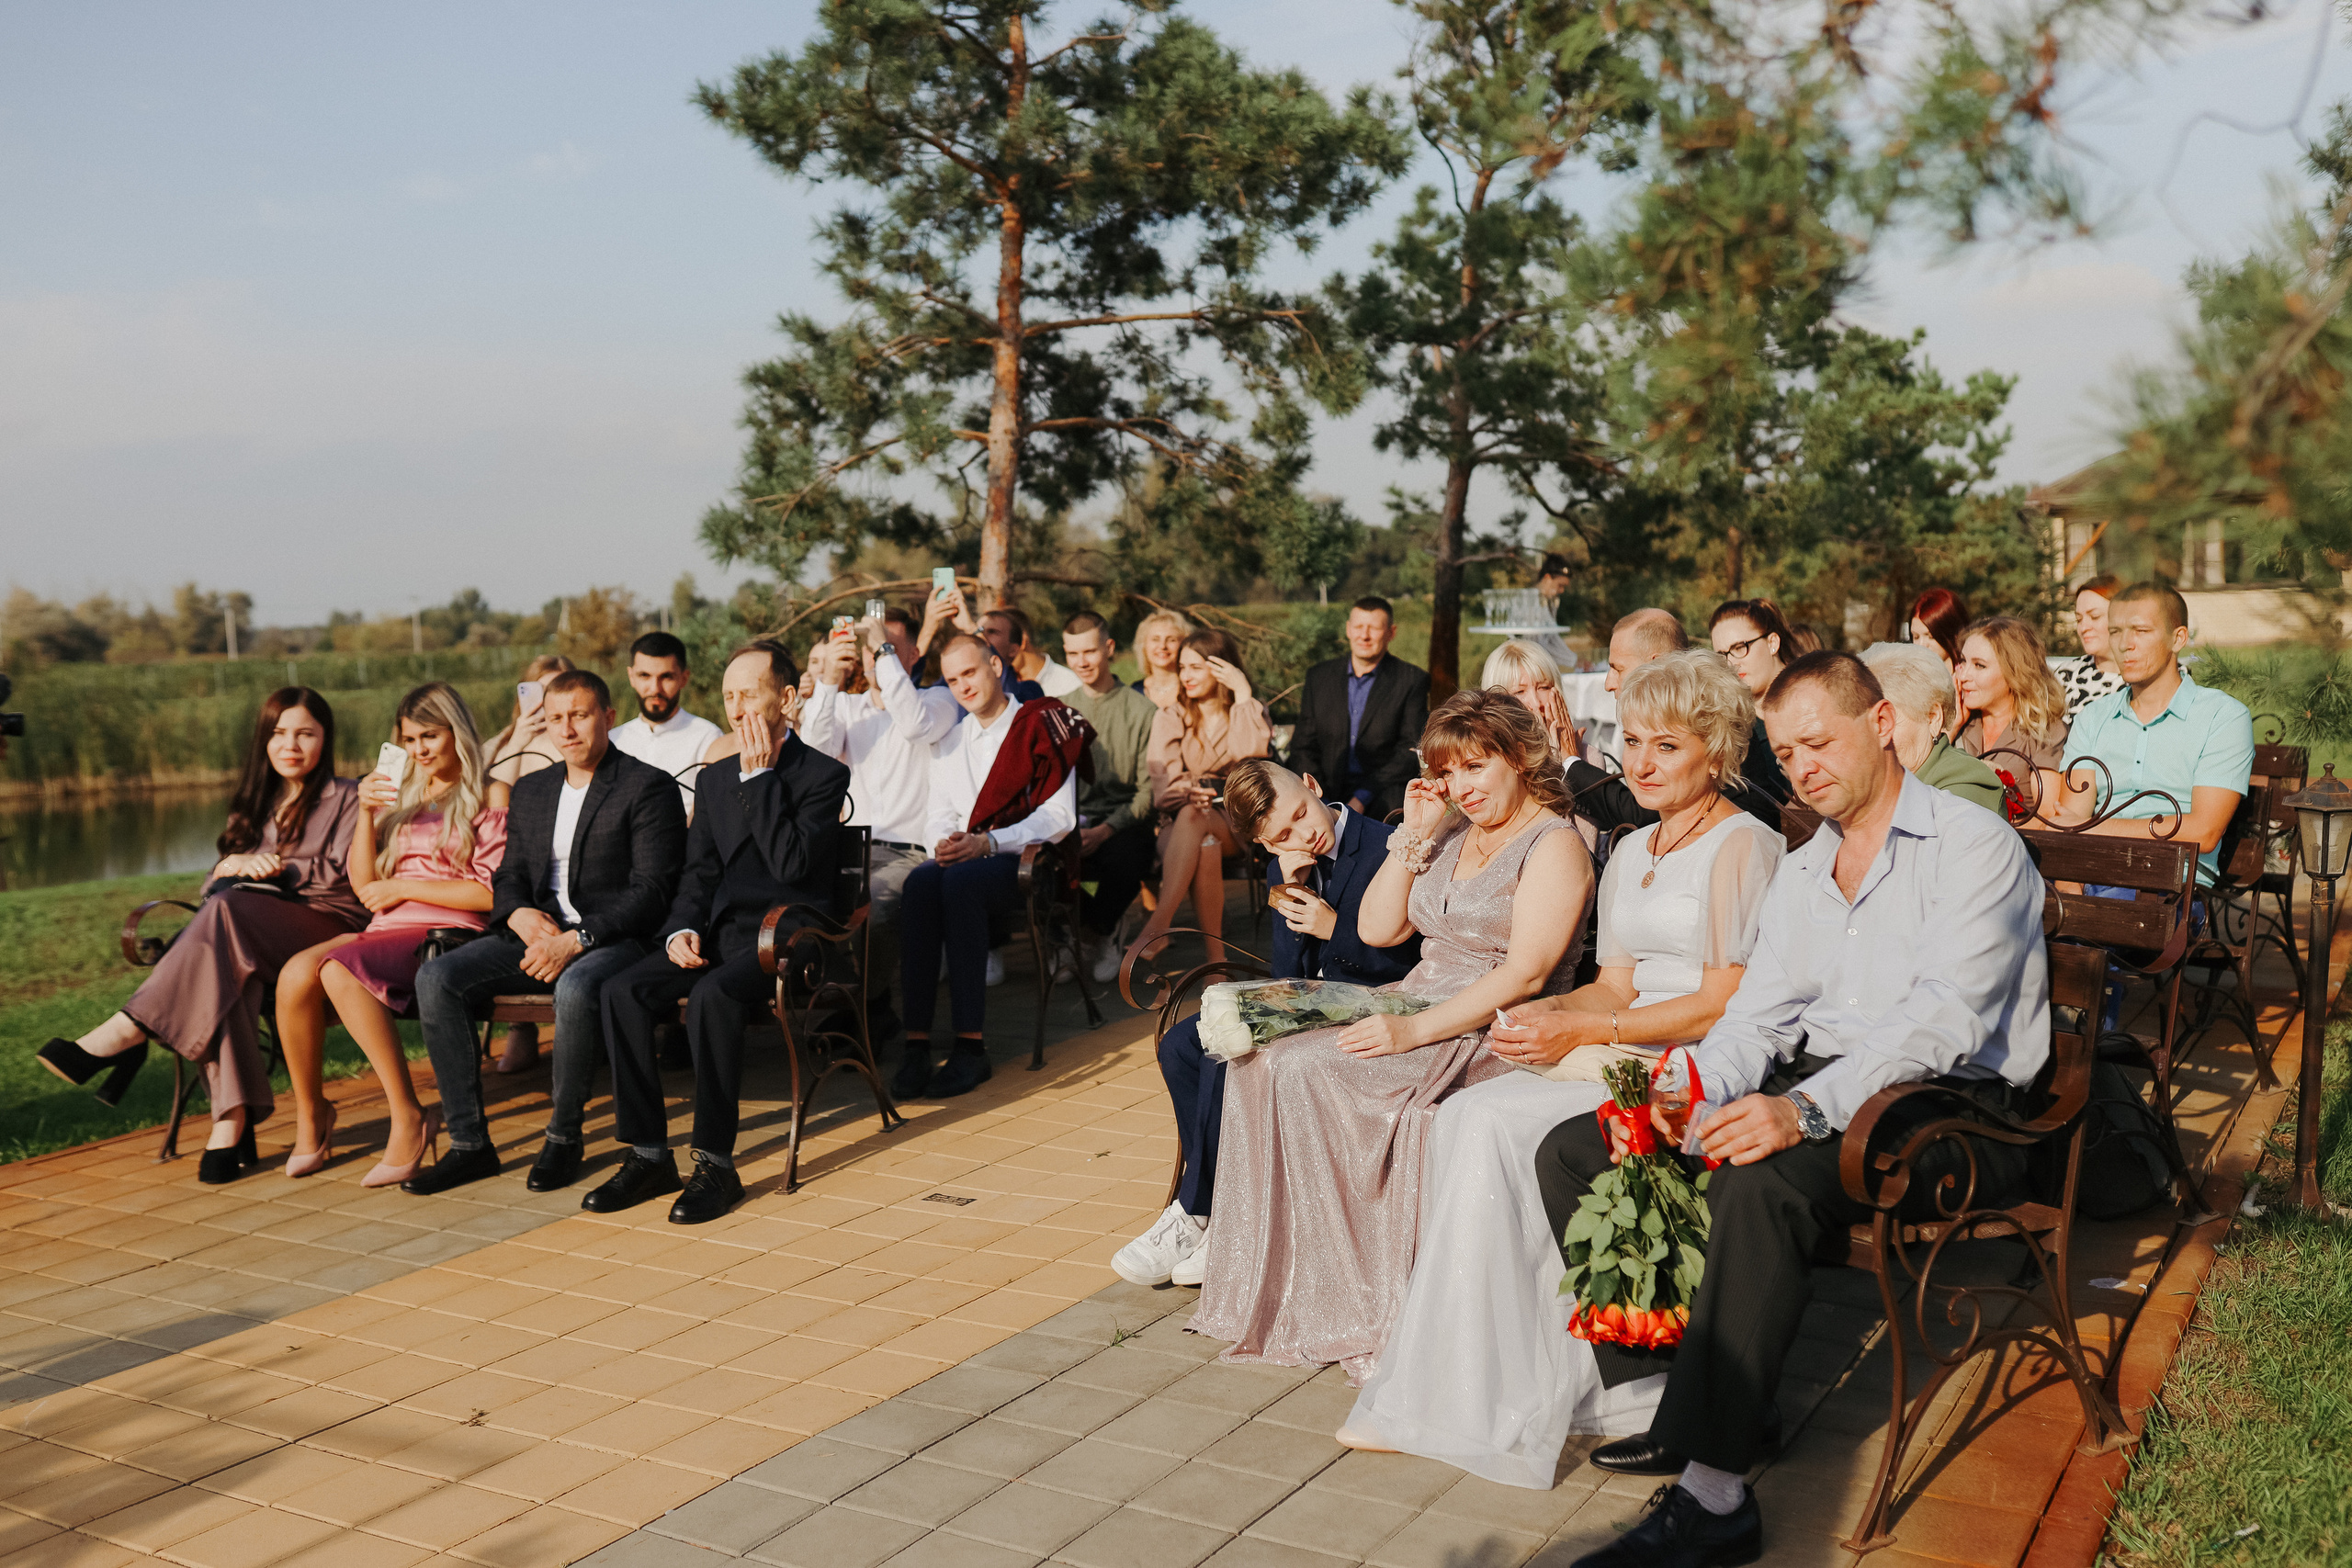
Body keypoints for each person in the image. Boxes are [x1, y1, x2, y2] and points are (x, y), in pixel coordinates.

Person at [1544, 651, 2052, 1568]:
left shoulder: (1974, 847)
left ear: (1882, 725)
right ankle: (1709, 1401)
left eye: (1819, 740)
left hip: (1958, 1109)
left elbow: (1944, 1020)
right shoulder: (1807, 865)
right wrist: (1688, 1085)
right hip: (1832, 1082)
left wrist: (1800, 1113)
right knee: (1586, 1149)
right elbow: (1756, 1020)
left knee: (1756, 1183)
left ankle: (1714, 1503)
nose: (1804, 763)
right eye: (1787, 749)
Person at [1342, 651, 1781, 1486]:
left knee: (1489, 1124)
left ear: (1717, 750)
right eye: (1635, 743)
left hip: (1696, 1060)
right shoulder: (1636, 845)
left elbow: (1728, 1000)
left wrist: (1588, 1027)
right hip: (1619, 1042)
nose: (1642, 765)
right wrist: (1552, 1014)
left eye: (1667, 747)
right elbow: (1612, 979)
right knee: (1469, 1115)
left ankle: (1577, 1376)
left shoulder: (1742, 844)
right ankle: (1470, 1381)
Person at [1187, 691, 1592, 1380]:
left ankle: (1366, 1298)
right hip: (1416, 997)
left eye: (1476, 767)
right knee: (1264, 1061)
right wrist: (1416, 831)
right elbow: (1378, 928)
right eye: (1449, 772)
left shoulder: (1554, 841)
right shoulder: (1457, 834)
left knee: (1313, 1070)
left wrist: (1412, 1032)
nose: (1462, 786)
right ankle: (1300, 1288)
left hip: (1483, 1024)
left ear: (1520, 758)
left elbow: (1525, 975)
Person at [1112, 759, 1424, 1288]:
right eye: (1282, 835)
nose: (1306, 833)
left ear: (1312, 783)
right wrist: (1288, 884)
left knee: (1227, 1044)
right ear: (1265, 843)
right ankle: (1214, 1208)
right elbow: (1285, 974)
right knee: (1183, 1047)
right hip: (1310, 1002)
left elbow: (1411, 959)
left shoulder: (1383, 845)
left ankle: (1200, 1211)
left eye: (1303, 814)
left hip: (1377, 1004)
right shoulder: (1289, 861)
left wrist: (1333, 928)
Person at [36, 689, 365, 1183]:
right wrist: (232, 864)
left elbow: (342, 879)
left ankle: (127, 1031)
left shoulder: (349, 796)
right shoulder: (254, 804)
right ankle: (230, 1124)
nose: (290, 745)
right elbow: (215, 885)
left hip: (325, 925)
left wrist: (272, 868)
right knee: (231, 969)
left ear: (325, 738)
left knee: (226, 914)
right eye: (278, 734)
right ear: (263, 741)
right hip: (249, 936)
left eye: (305, 733)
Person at [402, 670, 686, 1197]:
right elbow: (508, 875)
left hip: (618, 939)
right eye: (556, 718)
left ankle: (564, 1138)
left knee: (577, 987)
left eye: (579, 715)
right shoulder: (532, 790)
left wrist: (575, 942)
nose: (567, 730)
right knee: (437, 977)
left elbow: (651, 892)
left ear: (607, 716)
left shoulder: (646, 787)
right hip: (537, 935)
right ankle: (469, 1146)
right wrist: (517, 916)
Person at [595, 642, 852, 1224]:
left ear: (785, 699)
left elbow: (791, 868)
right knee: (622, 990)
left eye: (750, 695)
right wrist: (682, 928)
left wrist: (760, 778)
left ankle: (715, 1164)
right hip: (721, 931)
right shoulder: (713, 780)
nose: (737, 711)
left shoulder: (822, 775)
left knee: (712, 996)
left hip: (788, 936)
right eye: (728, 697)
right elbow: (699, 872)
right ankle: (648, 1155)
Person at [273, 683, 508, 1184]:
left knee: (339, 970)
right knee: (295, 974)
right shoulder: (401, 793)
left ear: (456, 733)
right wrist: (364, 812)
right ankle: (312, 1113)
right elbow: (364, 885)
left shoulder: (490, 792)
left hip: (449, 932)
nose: (420, 750)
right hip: (388, 926)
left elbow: (489, 894)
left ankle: (407, 1115)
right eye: (410, 738)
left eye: (431, 736)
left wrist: (402, 884)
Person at [892, 634, 1091, 1100]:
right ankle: (916, 1043)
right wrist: (942, 843)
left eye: (971, 672)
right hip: (967, 859)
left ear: (996, 666)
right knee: (920, 883)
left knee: (959, 886)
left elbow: (1059, 818)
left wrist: (989, 842)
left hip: (1027, 864)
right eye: (953, 679)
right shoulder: (950, 739)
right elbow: (937, 811)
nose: (963, 686)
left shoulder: (1040, 724)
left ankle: (970, 1046)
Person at [802, 605, 963, 1038]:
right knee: (801, 900)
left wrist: (881, 646)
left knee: (871, 906)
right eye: (871, 646)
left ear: (912, 653)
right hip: (845, 847)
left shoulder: (939, 700)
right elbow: (815, 750)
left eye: (888, 645)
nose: (876, 655)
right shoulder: (849, 708)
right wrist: (828, 683)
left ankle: (867, 1005)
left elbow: (913, 725)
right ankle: (850, 1001)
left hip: (907, 852)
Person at [2056, 581, 2253, 885]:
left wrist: (2092, 828)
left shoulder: (2222, 717)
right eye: (2115, 631)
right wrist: (2069, 899)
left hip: (2171, 884)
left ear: (2178, 639)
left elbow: (2204, 832)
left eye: (2141, 631)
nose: (2124, 645)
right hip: (2094, 875)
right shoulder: (2092, 718)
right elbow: (2069, 826)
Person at [1567, 611, 1781, 837]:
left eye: (1618, 668)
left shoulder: (1706, 709)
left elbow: (1641, 815)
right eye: (1632, 741)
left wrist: (1570, 764)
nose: (1609, 684)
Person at [1131, 628, 1272, 964]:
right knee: (1203, 841)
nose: (1185, 676)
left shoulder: (1248, 708)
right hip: (1178, 821)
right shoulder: (1170, 715)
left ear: (1222, 668)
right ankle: (1216, 962)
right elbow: (1164, 786)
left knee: (1201, 824)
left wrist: (1242, 694)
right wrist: (1189, 793)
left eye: (1195, 667)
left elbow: (1249, 758)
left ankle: (1158, 926)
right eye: (1182, 667)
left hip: (1232, 821)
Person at [482, 652, 575, 1074]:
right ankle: (521, 1027)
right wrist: (518, 736)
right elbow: (488, 792)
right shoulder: (505, 742)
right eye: (541, 690)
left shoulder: (573, 738)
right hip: (498, 847)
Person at [1058, 612, 1160, 984]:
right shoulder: (1059, 707)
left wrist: (1104, 830)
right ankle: (1075, 936)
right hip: (1069, 819)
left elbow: (1148, 792)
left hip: (1122, 821)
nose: (1082, 662)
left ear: (1109, 648)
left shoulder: (1142, 711)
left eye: (1089, 651)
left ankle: (1097, 934)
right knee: (1054, 864)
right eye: (1072, 653)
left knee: (1121, 858)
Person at [1293, 597, 1431, 820]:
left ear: (1391, 633)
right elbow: (1303, 746)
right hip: (1323, 790)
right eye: (1358, 627)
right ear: (1348, 629)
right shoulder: (1319, 677)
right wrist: (1319, 798)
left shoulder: (1411, 680)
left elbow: (1410, 750)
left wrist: (1361, 797)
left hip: (1381, 793)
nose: (1364, 636)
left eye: (1374, 628)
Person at [1859, 643, 2006, 814]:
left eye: (1885, 720)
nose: (1871, 737)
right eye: (1863, 723)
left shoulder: (1965, 788)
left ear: (1933, 718)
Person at [1953, 615, 2070, 820]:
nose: (1963, 676)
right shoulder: (1960, 724)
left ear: (2015, 672)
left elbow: (2046, 816)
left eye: (1979, 665)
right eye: (1963, 662)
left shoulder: (2044, 730)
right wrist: (1951, 727)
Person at [609, 631, 725, 818]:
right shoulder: (612, 741)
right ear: (631, 677)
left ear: (684, 678)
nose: (655, 689)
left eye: (666, 677)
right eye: (644, 676)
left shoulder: (709, 738)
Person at [1705, 599, 1799, 808]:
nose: (1731, 662)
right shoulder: (1731, 725)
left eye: (1740, 647)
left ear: (1772, 642)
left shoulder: (1816, 697)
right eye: (1721, 655)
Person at [1480, 638, 1582, 762]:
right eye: (1519, 692)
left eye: (1543, 688)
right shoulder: (1485, 759)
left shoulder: (1586, 756)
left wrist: (1570, 760)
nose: (1536, 703)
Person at [2059, 573, 2127, 716]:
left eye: (2094, 617)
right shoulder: (2065, 676)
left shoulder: (2150, 679)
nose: (2084, 628)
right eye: (2079, 619)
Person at [981, 606, 1082, 700]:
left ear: (1021, 641)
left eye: (992, 632)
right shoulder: (994, 689)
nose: (983, 640)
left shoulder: (1069, 685)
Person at [1133, 609, 1194, 710]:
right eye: (1155, 639)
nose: (1162, 646)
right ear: (1144, 645)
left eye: (1171, 640)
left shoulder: (1192, 690)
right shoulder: (1134, 692)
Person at [1905, 586, 1970, 679]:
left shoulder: (1970, 681)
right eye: (1916, 637)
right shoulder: (1912, 680)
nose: (1921, 645)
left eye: (1931, 636)